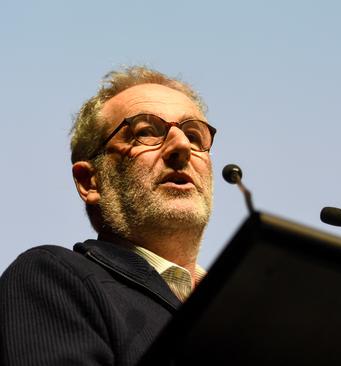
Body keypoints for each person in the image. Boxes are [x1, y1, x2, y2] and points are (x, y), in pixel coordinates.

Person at [0, 66, 217, 365]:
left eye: (194, 136)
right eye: (145, 133)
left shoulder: (254, 306)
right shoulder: (57, 279)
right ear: (91, 181)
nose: (181, 146)